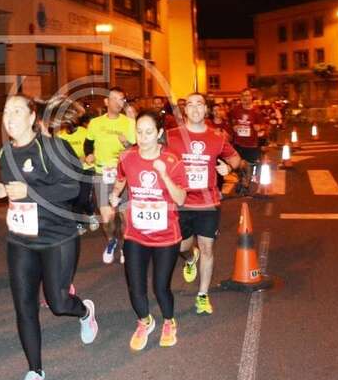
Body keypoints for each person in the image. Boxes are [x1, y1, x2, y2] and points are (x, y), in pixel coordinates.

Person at [0, 94, 98, 380]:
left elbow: (72, 188)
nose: (10, 117)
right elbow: (15, 192)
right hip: (20, 239)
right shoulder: (4, 153)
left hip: (57, 237)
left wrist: (28, 192)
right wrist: (3, 190)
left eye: (17, 111)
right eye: (6, 111)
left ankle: (85, 311)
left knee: (58, 303)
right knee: (24, 306)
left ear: (31, 118)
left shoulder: (53, 147)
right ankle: (36, 373)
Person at [109, 111, 187, 350]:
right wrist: (115, 193)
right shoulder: (127, 157)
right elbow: (121, 178)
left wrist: (163, 174)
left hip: (166, 236)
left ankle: (169, 321)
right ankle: (144, 321)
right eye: (139, 132)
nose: (143, 138)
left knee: (160, 287)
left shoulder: (173, 160)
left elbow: (181, 198)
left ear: (159, 133)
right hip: (136, 234)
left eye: (149, 132)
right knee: (135, 286)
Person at [166, 93, 240, 314]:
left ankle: (203, 295)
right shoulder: (171, 136)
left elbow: (235, 158)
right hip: (181, 201)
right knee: (182, 247)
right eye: (190, 104)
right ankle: (190, 258)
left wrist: (229, 167)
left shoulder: (217, 137)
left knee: (207, 248)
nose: (195, 108)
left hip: (208, 202)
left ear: (206, 110)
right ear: (185, 110)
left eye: (200, 104)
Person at [83, 87, 136, 264]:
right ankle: (112, 241)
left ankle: (126, 246)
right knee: (107, 217)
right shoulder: (95, 123)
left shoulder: (128, 122)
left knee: (125, 215)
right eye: (114, 98)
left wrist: (126, 143)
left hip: (124, 173)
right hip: (102, 173)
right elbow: (88, 143)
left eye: (121, 99)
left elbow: (136, 149)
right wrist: (89, 154)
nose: (118, 102)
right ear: (106, 102)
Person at [229, 89, 264, 195]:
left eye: (247, 95)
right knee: (238, 165)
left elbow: (263, 124)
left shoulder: (256, 111)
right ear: (241, 97)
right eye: (243, 95)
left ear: (251, 97)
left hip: (251, 144)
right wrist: (233, 126)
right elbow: (231, 120)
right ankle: (243, 183)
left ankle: (247, 184)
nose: (245, 97)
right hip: (238, 143)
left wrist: (259, 127)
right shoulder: (235, 109)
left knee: (250, 165)